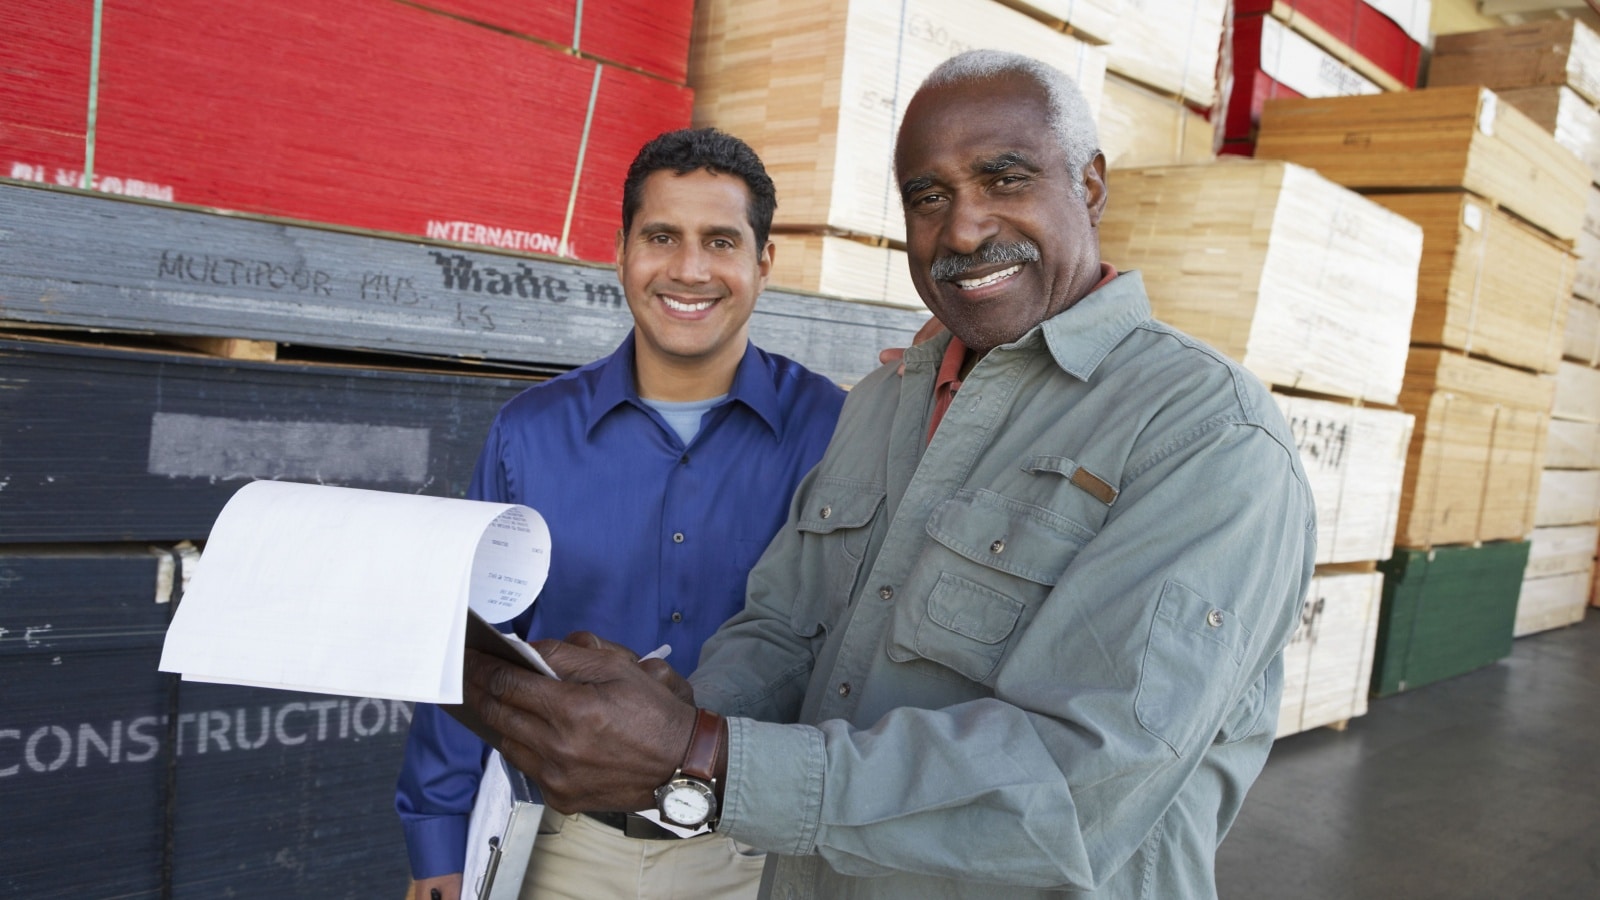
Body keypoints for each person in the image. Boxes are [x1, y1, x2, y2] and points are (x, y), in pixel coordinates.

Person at [456, 50, 1317, 899]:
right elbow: (786, 628)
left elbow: (1077, 788)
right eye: (928, 197)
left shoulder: (1205, 435)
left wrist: (702, 756)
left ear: (1089, 185)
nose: (965, 228)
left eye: (1005, 178)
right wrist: (679, 706)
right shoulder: (882, 401)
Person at [395, 128, 847, 900]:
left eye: (721, 241)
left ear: (763, 262)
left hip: (760, 856)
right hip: (565, 851)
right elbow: (471, 640)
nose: (689, 269)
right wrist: (436, 843)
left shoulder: (839, 431)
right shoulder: (529, 433)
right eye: (662, 236)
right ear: (621, 250)